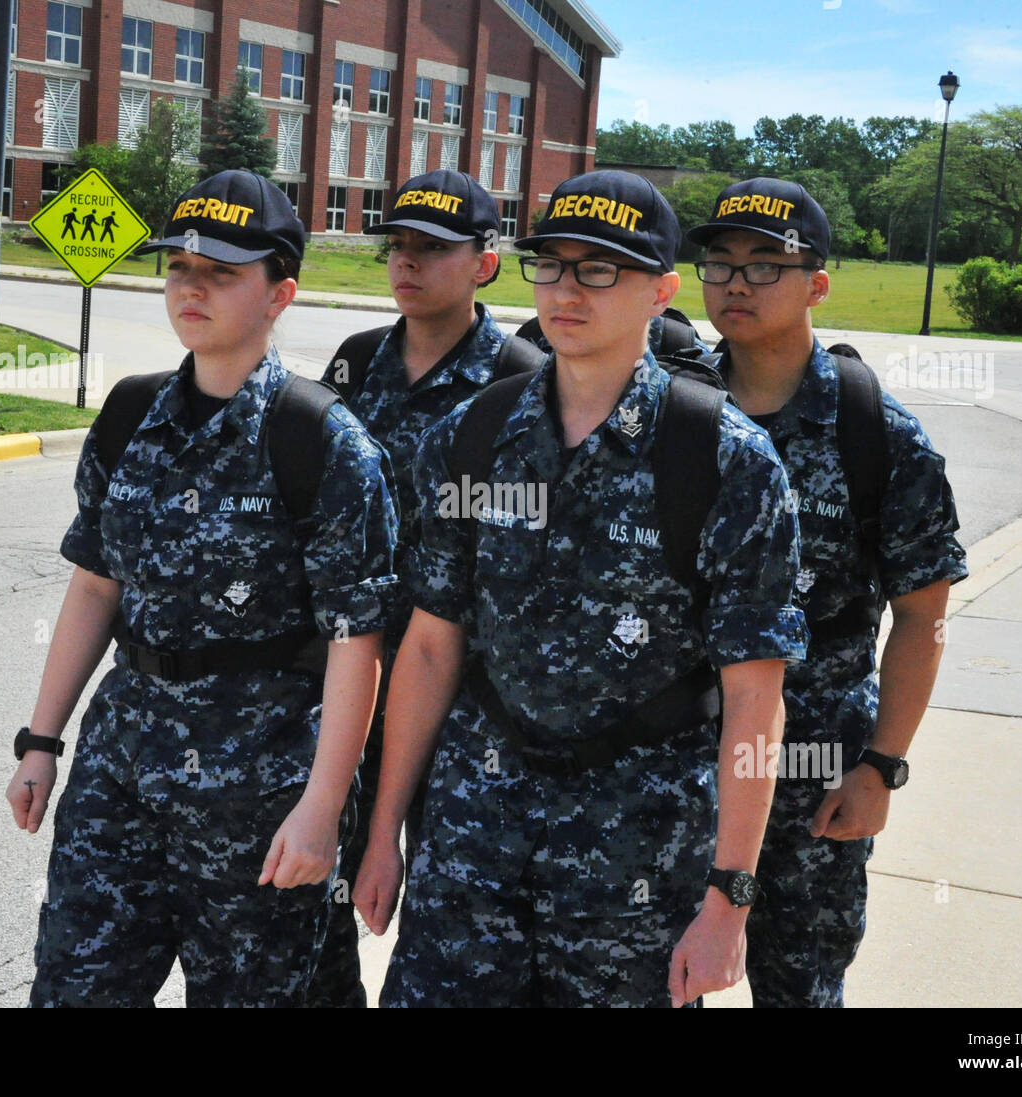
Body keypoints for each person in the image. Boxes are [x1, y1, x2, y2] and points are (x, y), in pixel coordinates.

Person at [354, 169, 808, 1007]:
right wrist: (385, 833)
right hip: (472, 837)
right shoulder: (473, 436)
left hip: (636, 854)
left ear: (662, 291)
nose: (568, 289)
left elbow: (755, 699)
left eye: (599, 268)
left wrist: (729, 899)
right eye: (552, 264)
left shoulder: (722, 458)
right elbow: (428, 645)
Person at [5, 169, 398, 1007]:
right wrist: (41, 739)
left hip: (262, 794)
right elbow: (93, 587)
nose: (193, 286)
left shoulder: (321, 441)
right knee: (75, 988)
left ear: (279, 293)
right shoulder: (128, 413)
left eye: (222, 272)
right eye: (180, 266)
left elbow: (356, 640)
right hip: (123, 773)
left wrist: (325, 806)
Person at [687, 177, 969, 1007]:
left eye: (766, 264)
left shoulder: (874, 430)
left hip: (816, 767)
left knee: (801, 988)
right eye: (720, 261)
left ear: (818, 283)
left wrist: (882, 765)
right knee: (656, 978)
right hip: (677, 759)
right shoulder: (674, 408)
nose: (736, 282)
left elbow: (924, 615)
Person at [308, 170, 506, 1008]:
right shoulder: (355, 365)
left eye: (433, 247)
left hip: (464, 696)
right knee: (310, 899)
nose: (408, 262)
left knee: (444, 914)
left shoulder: (522, 379)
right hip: (348, 678)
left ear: (485, 264)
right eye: (399, 245)